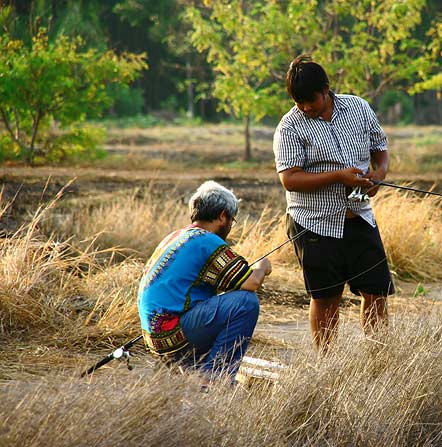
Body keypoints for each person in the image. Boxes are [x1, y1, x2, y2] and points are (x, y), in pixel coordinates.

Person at [272, 54, 395, 351]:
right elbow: (289, 179)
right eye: (298, 102)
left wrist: (377, 175)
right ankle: (327, 364)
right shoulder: (289, 127)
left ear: (326, 88)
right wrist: (338, 176)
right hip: (313, 223)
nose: (305, 108)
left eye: (310, 100)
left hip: (359, 216)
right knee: (326, 298)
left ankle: (378, 358)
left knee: (376, 293)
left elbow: (381, 148)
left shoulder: (358, 107)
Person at [137, 181, 272, 378]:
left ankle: (195, 370)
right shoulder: (207, 240)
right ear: (222, 215)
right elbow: (250, 283)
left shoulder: (176, 236)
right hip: (173, 334)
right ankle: (216, 379)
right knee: (245, 303)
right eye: (232, 220)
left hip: (156, 336)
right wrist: (262, 266)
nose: (230, 226)